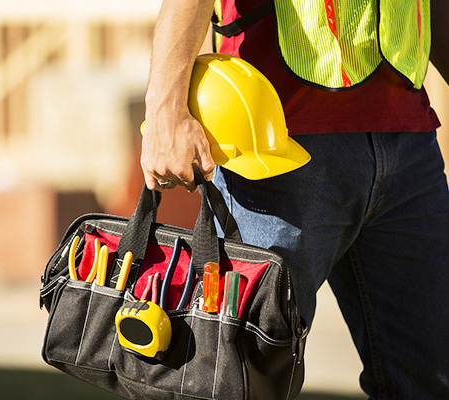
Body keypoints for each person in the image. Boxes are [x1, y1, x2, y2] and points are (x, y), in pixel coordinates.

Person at [140, 0, 449, 398]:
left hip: (407, 137)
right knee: (236, 382)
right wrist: (165, 108)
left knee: (432, 383)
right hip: (275, 143)